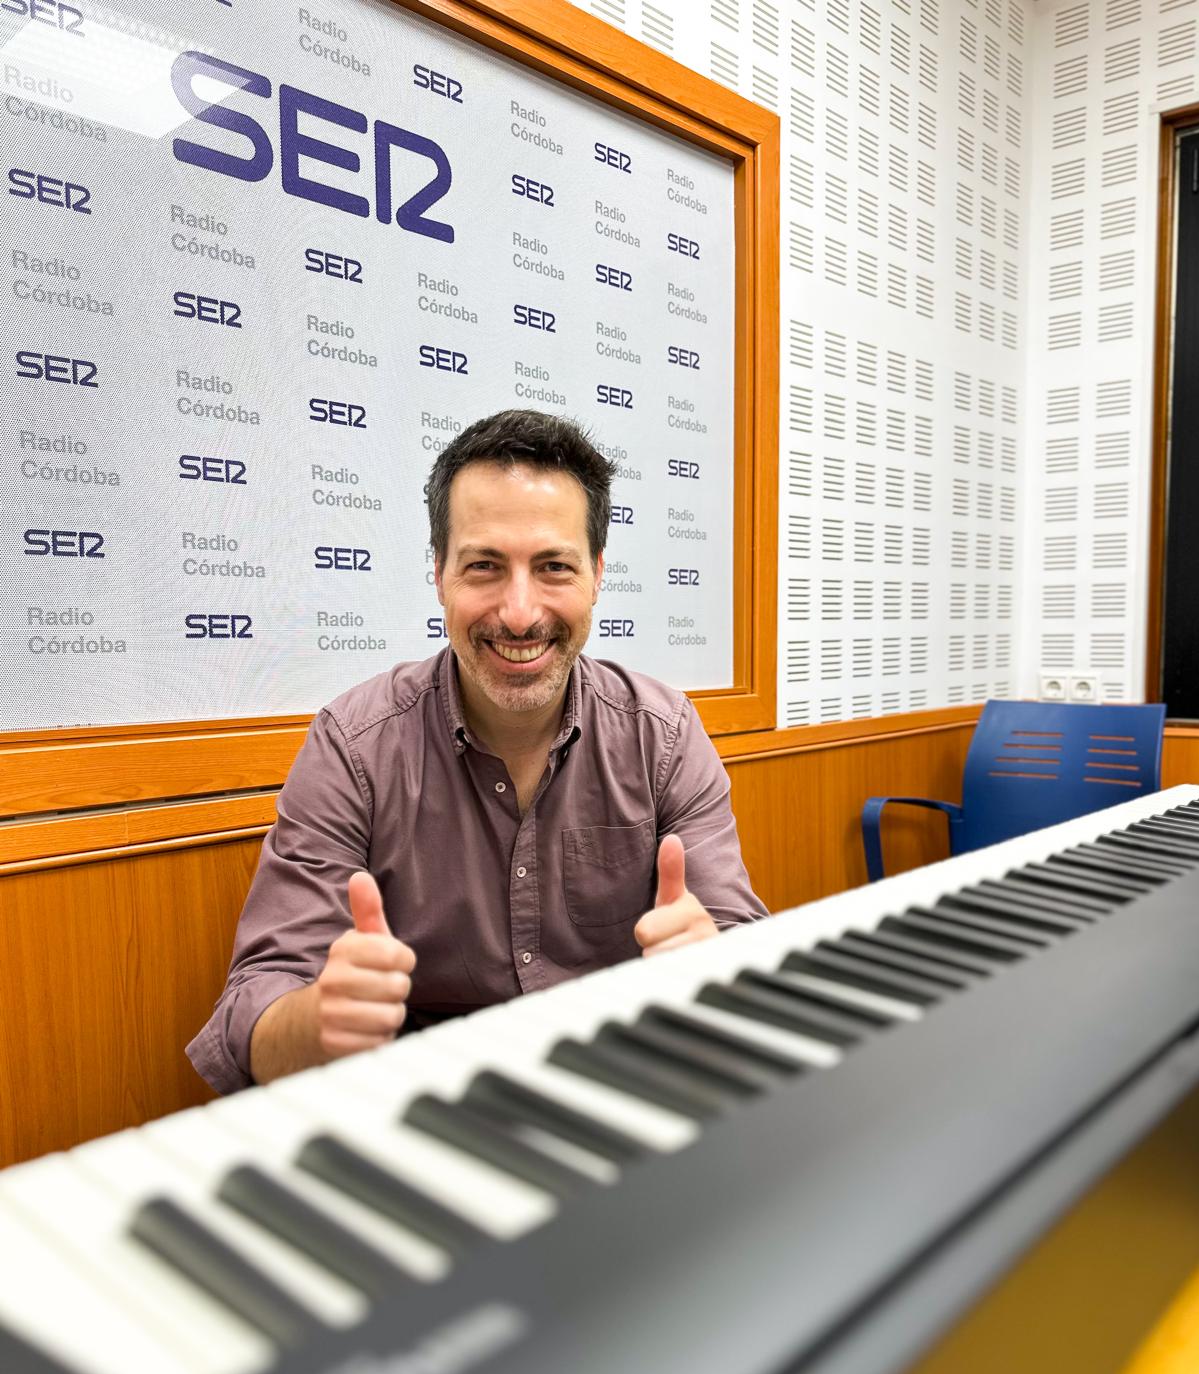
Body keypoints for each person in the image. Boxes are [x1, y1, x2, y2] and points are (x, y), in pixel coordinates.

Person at [187, 410, 766, 1094]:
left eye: (553, 567)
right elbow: (255, 1012)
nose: (519, 612)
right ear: (438, 574)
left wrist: (717, 968)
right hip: (421, 1108)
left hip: (619, 1091)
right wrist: (320, 1022)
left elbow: (738, 951)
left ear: (597, 574)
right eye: (484, 567)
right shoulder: (354, 746)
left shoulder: (662, 734)